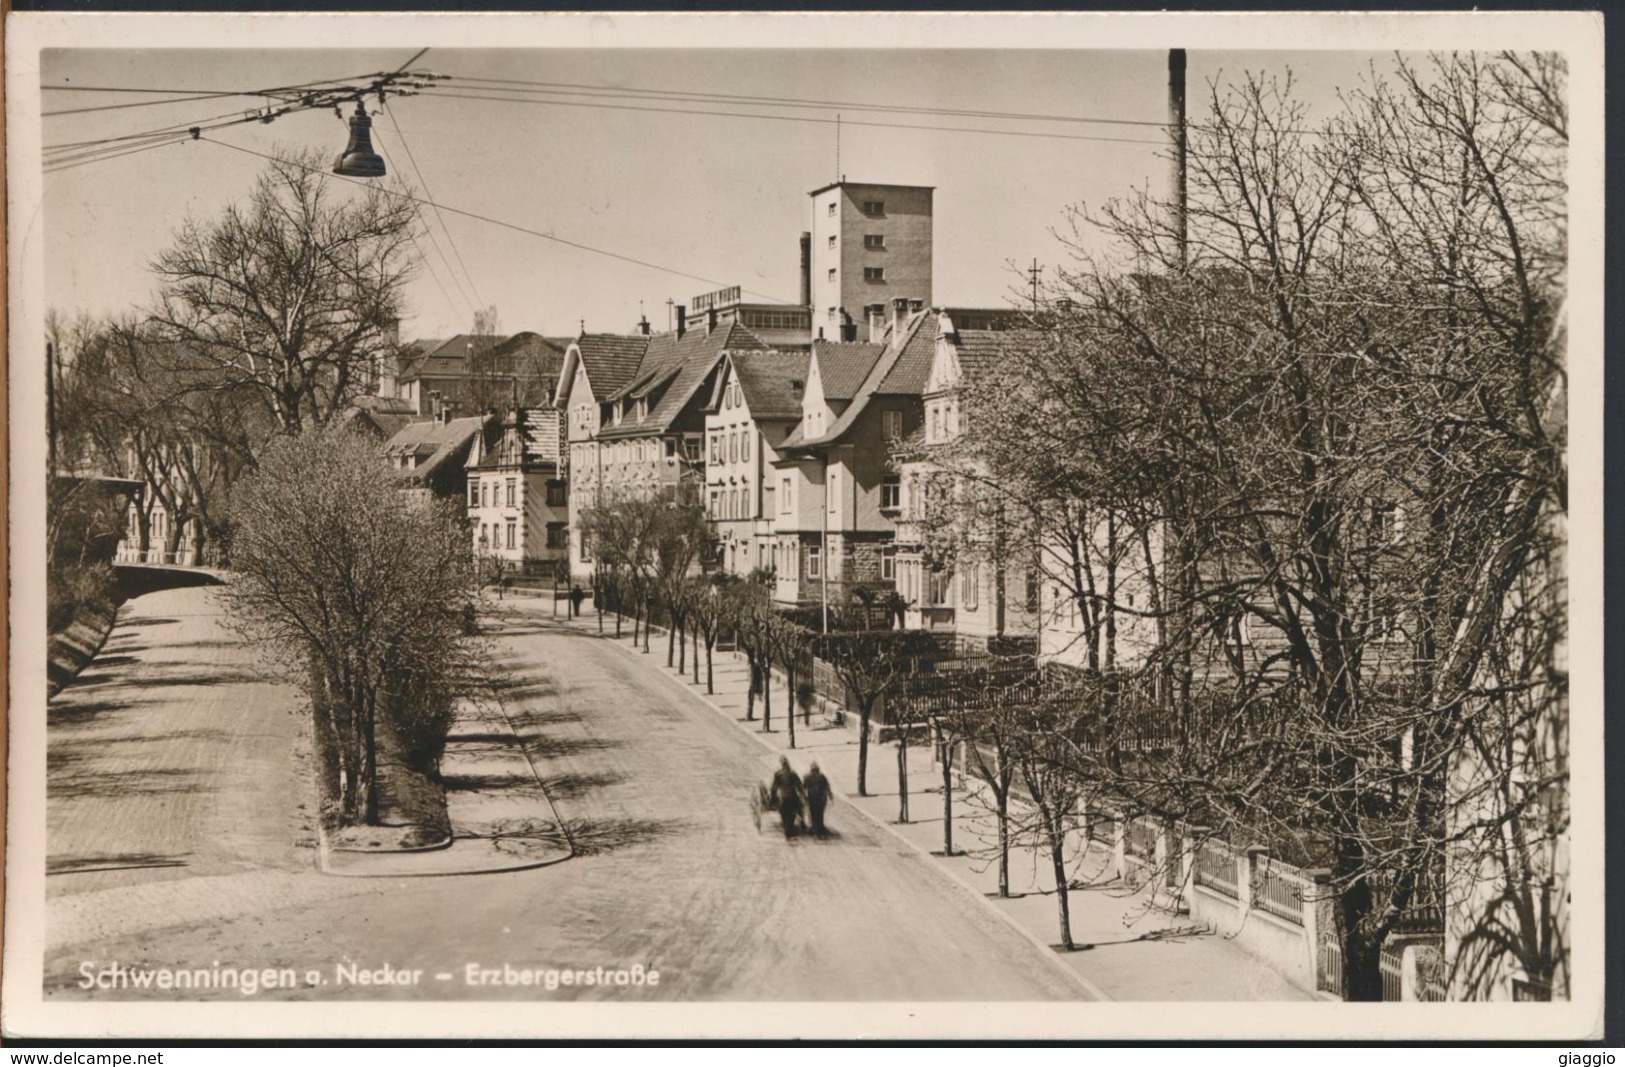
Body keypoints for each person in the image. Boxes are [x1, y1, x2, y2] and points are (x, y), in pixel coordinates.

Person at [768, 756, 803, 838]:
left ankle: (787, 828)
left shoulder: (778, 773)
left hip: (782, 796)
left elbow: (774, 786)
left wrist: (772, 797)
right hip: (792, 795)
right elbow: (799, 786)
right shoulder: (793, 773)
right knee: (795, 810)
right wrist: (802, 795)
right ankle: (792, 826)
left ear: (781, 764)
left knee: (783, 812)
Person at [802, 761, 831, 836]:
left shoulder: (807, 776)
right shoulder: (822, 776)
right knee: (819, 813)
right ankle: (819, 827)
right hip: (820, 798)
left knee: (812, 813)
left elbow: (803, 787)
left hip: (812, 798)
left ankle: (814, 827)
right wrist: (830, 796)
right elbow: (827, 787)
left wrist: (804, 797)